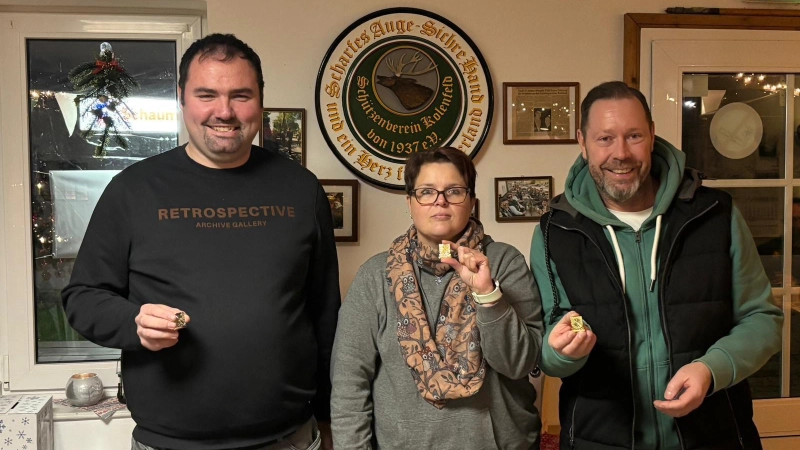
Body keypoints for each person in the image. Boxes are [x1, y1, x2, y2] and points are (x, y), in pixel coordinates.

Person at [62, 33, 340, 450]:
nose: (224, 112)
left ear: (260, 100)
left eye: (240, 95)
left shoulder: (301, 190)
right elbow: (82, 297)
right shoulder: (133, 191)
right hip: (170, 442)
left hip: (290, 437)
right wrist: (133, 323)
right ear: (182, 98)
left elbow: (325, 314)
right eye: (207, 94)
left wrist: (330, 416)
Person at [529, 81, 783, 449]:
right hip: (597, 439)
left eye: (633, 135)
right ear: (582, 144)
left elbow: (763, 320)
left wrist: (711, 369)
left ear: (651, 136)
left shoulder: (715, 215)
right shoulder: (555, 231)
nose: (621, 153)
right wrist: (559, 352)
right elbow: (548, 343)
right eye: (604, 139)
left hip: (715, 435)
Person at [331, 147, 543, 449]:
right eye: (427, 191)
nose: (440, 201)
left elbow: (518, 364)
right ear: (410, 202)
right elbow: (348, 382)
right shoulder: (375, 275)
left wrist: (488, 295)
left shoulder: (504, 262)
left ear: (471, 201)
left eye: (454, 191)